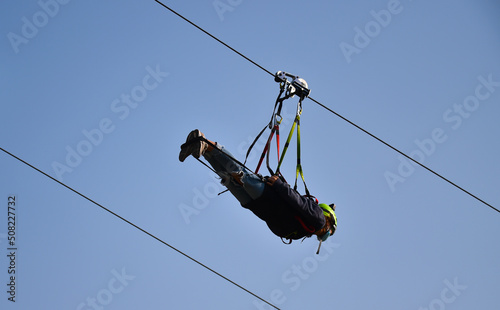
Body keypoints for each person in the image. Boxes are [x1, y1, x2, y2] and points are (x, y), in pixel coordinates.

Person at [179, 129, 337, 246]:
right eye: (325, 233)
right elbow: (297, 202)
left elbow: (276, 225)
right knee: (240, 174)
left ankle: (202, 148)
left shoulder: (303, 231)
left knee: (228, 178)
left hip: (257, 206)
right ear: (328, 220)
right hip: (269, 198)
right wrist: (279, 185)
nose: (320, 234)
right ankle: (204, 141)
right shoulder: (318, 219)